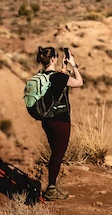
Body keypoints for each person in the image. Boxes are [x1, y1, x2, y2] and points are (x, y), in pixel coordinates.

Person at [33, 46, 83, 201]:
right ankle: (51, 188)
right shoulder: (58, 78)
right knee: (58, 154)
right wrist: (73, 65)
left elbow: (57, 85)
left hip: (47, 121)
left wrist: (64, 67)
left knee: (55, 153)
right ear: (53, 58)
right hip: (61, 121)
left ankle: (53, 185)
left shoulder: (42, 77)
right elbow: (79, 82)